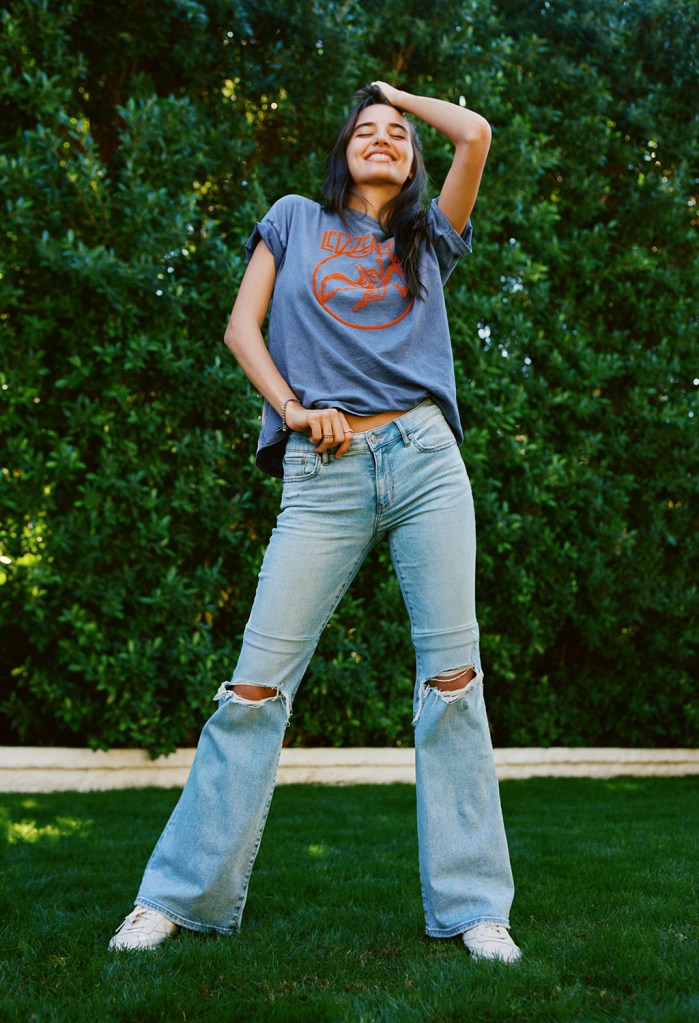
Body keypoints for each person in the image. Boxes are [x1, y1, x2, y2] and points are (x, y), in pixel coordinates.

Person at [108, 81, 520, 963]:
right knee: (252, 688)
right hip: (324, 470)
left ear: (410, 161)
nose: (382, 139)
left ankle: (476, 907)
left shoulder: (426, 238)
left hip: (423, 461)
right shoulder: (294, 218)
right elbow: (240, 328)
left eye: (397, 136)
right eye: (364, 130)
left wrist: (395, 93)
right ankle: (175, 897)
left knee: (452, 685)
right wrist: (293, 408)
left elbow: (476, 134)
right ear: (340, 154)